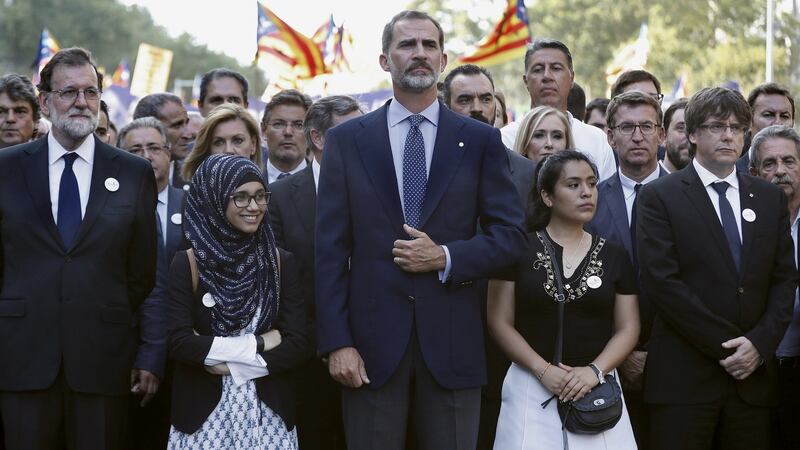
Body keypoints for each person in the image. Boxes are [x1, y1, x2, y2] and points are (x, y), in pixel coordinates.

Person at [315, 10, 526, 450]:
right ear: (384, 59)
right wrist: (337, 342)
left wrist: (446, 257)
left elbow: (510, 239)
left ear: (444, 59)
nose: (419, 54)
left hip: (454, 345)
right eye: (407, 45)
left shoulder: (481, 141)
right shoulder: (348, 141)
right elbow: (330, 252)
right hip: (369, 349)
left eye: (429, 45)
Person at [0, 47, 157, 449]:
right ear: (45, 101)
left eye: (90, 92)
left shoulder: (133, 172)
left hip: (101, 361)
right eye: (69, 92)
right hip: (22, 359)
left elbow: (140, 272)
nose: (81, 103)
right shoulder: (7, 168)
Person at [637, 87, 797, 450]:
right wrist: (730, 349)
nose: (728, 135)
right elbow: (663, 283)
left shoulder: (768, 197)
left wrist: (758, 345)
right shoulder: (660, 196)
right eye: (716, 126)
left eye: (737, 127)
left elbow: (784, 279)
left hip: (751, 384)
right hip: (684, 382)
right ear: (692, 134)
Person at [489, 150, 639, 449]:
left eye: (592, 183)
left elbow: (629, 328)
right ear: (547, 196)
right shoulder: (517, 250)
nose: (587, 192)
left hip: (597, 389)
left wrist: (594, 371)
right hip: (529, 384)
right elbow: (498, 321)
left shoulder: (615, 256)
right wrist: (543, 370)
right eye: (573, 185)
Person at [167, 154, 312, 449]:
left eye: (261, 196)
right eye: (241, 198)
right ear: (214, 199)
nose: (254, 207)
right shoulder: (188, 264)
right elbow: (178, 341)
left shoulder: (280, 262)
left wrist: (234, 366)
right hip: (202, 415)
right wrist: (259, 343)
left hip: (268, 413)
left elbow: (298, 342)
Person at [268, 94, 363, 450]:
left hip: (375, 352)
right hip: (306, 357)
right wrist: (328, 342)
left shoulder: (381, 189)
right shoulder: (278, 196)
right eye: (351, 131)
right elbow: (280, 281)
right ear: (319, 138)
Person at [586, 91, 669, 450]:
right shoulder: (588, 201)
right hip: (603, 362)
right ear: (610, 135)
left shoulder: (690, 196)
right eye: (627, 127)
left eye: (646, 126)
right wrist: (624, 353)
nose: (637, 136)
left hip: (677, 360)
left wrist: (655, 351)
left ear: (661, 135)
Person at [118, 117, 187, 449]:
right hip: (128, 352)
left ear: (169, 152)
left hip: (185, 354)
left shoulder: (192, 205)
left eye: (154, 147)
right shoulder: (111, 209)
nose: (146, 155)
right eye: (135, 149)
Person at [748, 124, 800, 450]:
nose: (780, 171)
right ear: (753, 172)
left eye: (789, 162)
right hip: (755, 373)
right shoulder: (739, 222)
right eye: (770, 164)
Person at [501, 39, 616, 181]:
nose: (547, 76)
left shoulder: (596, 140)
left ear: (572, 77)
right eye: (538, 70)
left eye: (555, 68)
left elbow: (607, 198)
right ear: (526, 81)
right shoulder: (504, 139)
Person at [181, 103, 263, 181]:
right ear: (207, 149)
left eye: (238, 141)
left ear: (253, 144)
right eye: (218, 142)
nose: (228, 150)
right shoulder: (189, 194)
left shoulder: (270, 192)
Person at [133, 93, 193, 188]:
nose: (188, 135)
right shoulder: (119, 177)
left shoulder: (196, 179)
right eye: (177, 125)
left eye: (186, 123)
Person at [736, 83, 795, 173]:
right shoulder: (730, 175)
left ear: (792, 122)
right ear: (749, 122)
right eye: (768, 115)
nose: (777, 123)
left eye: (784, 116)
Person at [261, 89, 312, 183]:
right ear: (264, 130)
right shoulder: (246, 181)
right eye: (278, 124)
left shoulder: (324, 183)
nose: (288, 132)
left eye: (299, 125)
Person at [0, 73, 39, 149]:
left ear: (35, 120)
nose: (10, 119)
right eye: (1, 112)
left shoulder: (50, 159)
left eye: (20, 112)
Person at [660, 98, 690, 173]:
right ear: (663, 135)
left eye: (694, 129)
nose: (689, 136)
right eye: (681, 128)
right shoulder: (647, 182)